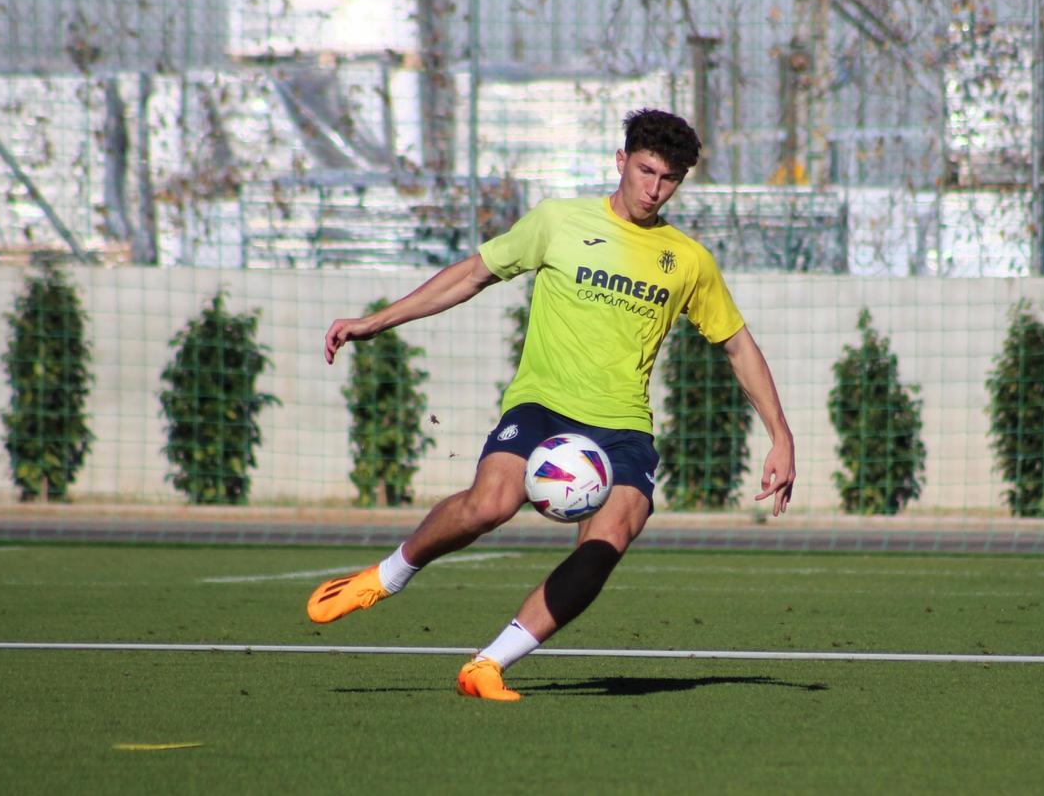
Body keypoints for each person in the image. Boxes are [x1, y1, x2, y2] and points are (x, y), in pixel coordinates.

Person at [309, 109, 796, 701]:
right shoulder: (558, 221)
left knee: (611, 538)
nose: (653, 188)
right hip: (543, 406)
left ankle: (488, 664)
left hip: (621, 428)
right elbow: (471, 274)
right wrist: (374, 322)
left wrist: (781, 436)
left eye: (669, 178)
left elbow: (737, 344)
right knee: (490, 505)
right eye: (645, 170)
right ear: (621, 161)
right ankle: (387, 575)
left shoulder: (688, 260)